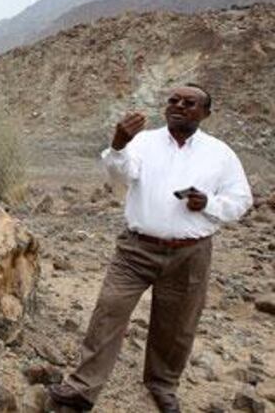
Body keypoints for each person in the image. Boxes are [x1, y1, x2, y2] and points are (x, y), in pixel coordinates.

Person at [47, 84, 253, 412]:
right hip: (136, 250)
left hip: (190, 253)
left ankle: (162, 385)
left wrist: (209, 203)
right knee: (109, 310)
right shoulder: (143, 142)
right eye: (173, 101)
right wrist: (117, 146)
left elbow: (241, 200)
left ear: (206, 113)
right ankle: (83, 388)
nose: (179, 106)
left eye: (190, 103)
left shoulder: (221, 153)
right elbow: (120, 176)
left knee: (176, 325)